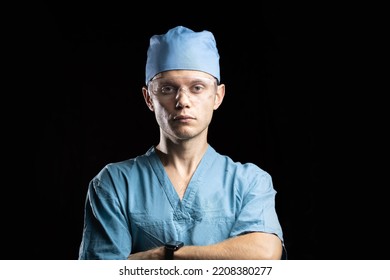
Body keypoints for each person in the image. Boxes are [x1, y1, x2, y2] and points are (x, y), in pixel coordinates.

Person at [78, 25, 286, 260]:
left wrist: (163, 255)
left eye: (197, 88)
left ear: (218, 96)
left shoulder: (249, 182)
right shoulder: (115, 184)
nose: (182, 101)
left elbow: (265, 256)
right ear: (149, 98)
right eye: (167, 88)